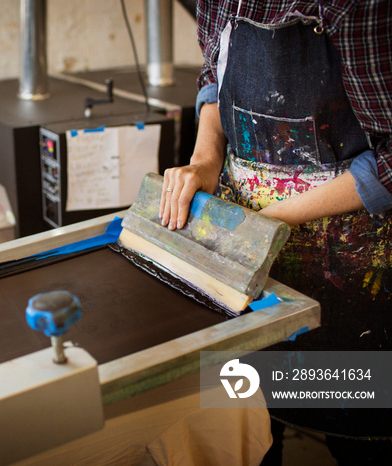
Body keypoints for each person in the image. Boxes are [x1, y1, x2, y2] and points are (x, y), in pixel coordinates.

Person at [160, 0, 392, 463]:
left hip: (353, 282)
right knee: (242, 425)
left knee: (355, 429)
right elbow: (214, 75)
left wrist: (268, 222)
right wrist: (205, 160)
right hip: (244, 271)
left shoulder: (354, 7)